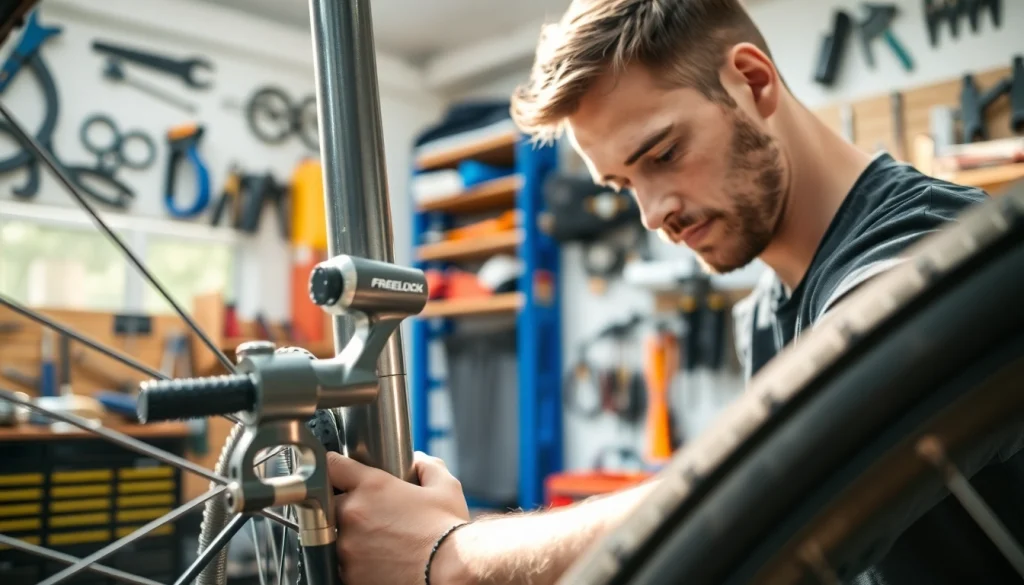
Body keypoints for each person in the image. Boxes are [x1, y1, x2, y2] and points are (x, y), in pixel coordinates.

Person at [325, 0, 1022, 583]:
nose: (653, 213)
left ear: (752, 80)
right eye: (624, 185)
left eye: (662, 154)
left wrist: (451, 555)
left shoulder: (922, 252)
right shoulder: (766, 314)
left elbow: (771, 484)